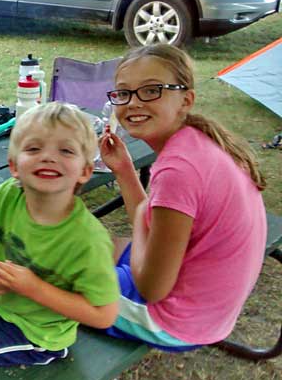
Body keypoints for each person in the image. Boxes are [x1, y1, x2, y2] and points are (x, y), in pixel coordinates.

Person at [98, 44, 266, 352]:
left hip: (177, 322)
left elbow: (151, 288)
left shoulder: (179, 169)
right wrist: (123, 170)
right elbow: (153, 225)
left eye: (152, 90)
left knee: (47, 276)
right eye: (124, 93)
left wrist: (139, 217)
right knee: (96, 244)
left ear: (185, 99)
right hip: (206, 308)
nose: (133, 103)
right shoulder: (195, 141)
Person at [0, 102, 120, 370]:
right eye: (34, 148)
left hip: (40, 334)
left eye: (65, 150)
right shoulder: (11, 193)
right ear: (14, 166)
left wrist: (34, 288)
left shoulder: (88, 240)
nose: (48, 157)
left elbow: (104, 315)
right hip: (10, 312)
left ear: (86, 171)